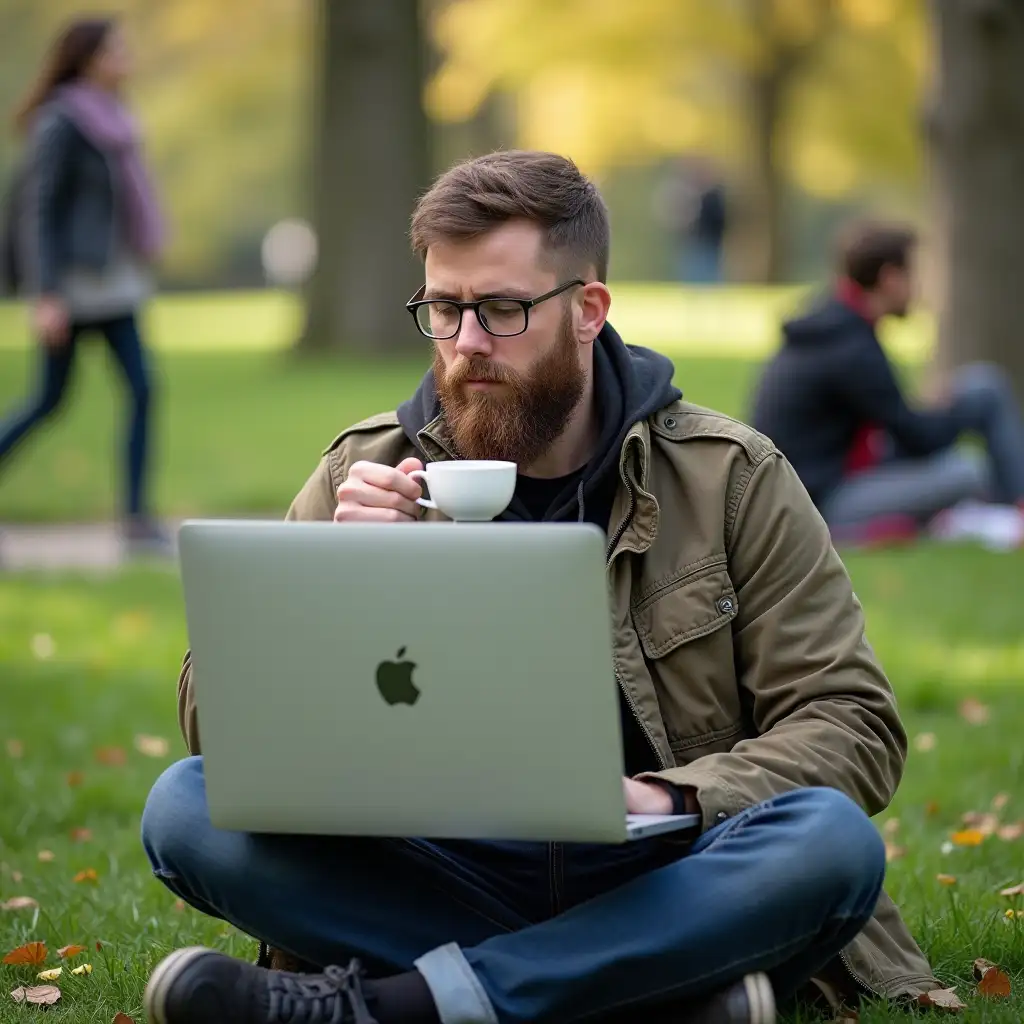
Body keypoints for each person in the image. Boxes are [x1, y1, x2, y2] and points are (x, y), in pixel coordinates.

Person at [140, 152, 940, 1024]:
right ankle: (645, 994)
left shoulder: (730, 477)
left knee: (830, 846)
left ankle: (395, 1006)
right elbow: (216, 726)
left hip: (666, 865)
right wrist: (331, 582)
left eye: (503, 309)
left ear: (588, 310)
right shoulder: (362, 473)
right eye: (444, 310)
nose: (468, 343)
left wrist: (670, 796)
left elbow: (853, 725)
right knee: (182, 807)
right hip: (436, 867)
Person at [750, 220, 1024, 547]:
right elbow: (919, 438)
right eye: (913, 276)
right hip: (822, 500)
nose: (918, 289)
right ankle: (1008, 509)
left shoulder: (834, 323)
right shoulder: (852, 347)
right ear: (890, 278)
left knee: (979, 389)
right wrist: (951, 411)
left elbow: (890, 419)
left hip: (826, 476)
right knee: (967, 470)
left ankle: (1000, 508)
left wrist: (935, 411)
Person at [0, 17, 168, 550]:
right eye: (117, 50)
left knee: (143, 388)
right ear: (89, 58)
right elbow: (38, 212)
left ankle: (137, 521)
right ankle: (137, 520)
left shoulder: (115, 117)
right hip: (73, 288)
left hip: (114, 282)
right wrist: (45, 294)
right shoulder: (62, 122)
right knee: (48, 400)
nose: (127, 58)